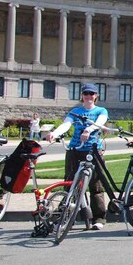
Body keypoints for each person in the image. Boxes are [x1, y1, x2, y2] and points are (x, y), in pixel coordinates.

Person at [45, 83, 109, 230]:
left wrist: (88, 129)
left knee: (96, 185)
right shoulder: (75, 111)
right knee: (70, 183)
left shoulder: (101, 110)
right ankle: (66, 217)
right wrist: (55, 133)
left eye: (91, 94)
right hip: (75, 150)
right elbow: (66, 124)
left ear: (96, 96)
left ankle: (99, 218)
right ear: (82, 95)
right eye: (86, 93)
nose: (88, 96)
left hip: (93, 150)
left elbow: (100, 123)